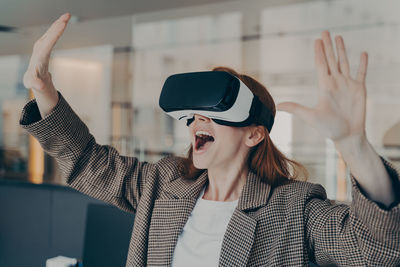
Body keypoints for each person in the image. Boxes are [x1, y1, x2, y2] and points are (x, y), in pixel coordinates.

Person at [20, 13, 399, 267]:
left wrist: (353, 146)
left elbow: (376, 249)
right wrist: (45, 90)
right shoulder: (163, 184)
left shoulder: (293, 207)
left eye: (215, 111)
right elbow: (88, 163)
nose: (199, 120)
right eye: (195, 113)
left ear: (254, 133)